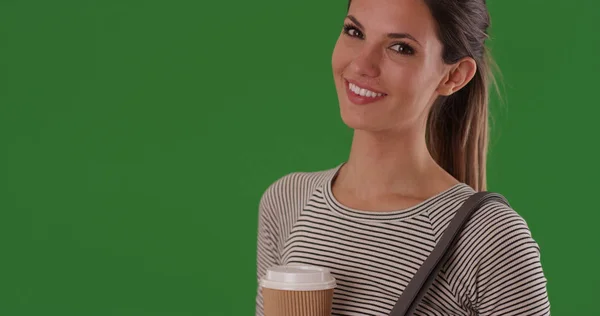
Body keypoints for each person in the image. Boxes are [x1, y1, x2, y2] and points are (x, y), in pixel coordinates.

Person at [255, 0, 550, 314]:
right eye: (354, 31)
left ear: (454, 76)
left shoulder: (490, 237)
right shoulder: (287, 201)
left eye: (400, 48)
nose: (361, 65)